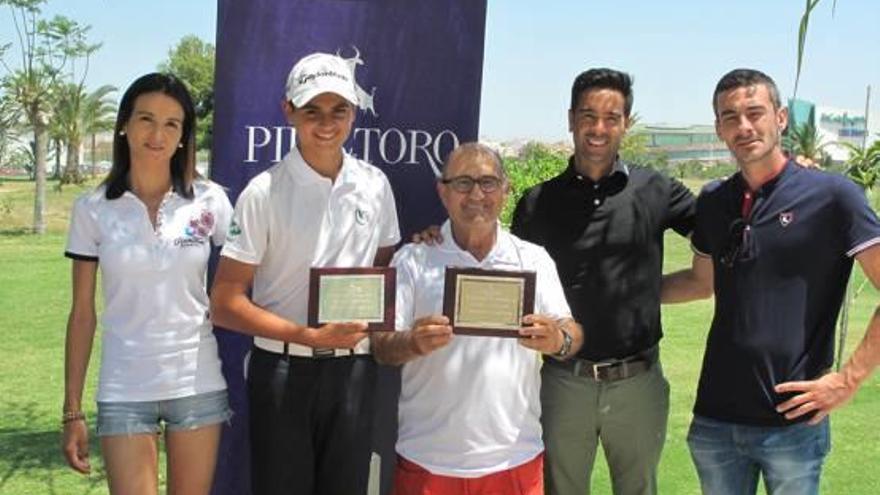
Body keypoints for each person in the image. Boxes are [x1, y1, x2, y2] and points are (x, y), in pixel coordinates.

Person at [664, 68, 880, 495]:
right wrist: (621, 296)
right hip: (714, 422)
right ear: (719, 129)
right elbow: (699, 282)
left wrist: (847, 379)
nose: (744, 126)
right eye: (730, 117)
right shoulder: (713, 201)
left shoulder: (834, 197)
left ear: (780, 118)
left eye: (754, 112)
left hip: (793, 424)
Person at [209, 52, 400, 495]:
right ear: (288, 111)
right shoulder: (264, 192)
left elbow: (384, 268)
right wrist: (309, 336)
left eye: (339, 110)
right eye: (312, 110)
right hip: (282, 371)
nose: (327, 124)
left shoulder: (375, 184)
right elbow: (225, 302)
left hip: (354, 369)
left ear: (354, 112)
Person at [510, 68, 701, 495]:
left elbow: (720, 229)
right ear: (571, 118)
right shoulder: (537, 202)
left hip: (638, 384)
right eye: (588, 115)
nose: (599, 128)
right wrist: (436, 239)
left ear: (626, 124)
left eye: (611, 117)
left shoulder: (657, 189)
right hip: (563, 383)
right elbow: (505, 274)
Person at [370, 143, 582, 495]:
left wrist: (558, 340)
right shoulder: (412, 260)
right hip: (428, 462)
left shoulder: (533, 259)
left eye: (488, 182)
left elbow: (572, 331)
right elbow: (381, 347)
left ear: (505, 188)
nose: (476, 195)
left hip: (515, 460)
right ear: (443, 191)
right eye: (463, 183)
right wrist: (412, 342)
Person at [61, 73, 234, 494]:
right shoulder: (92, 209)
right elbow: (82, 313)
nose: (157, 134)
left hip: (197, 383)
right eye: (146, 119)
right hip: (124, 385)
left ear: (183, 136)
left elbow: (246, 277)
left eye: (172, 124)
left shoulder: (210, 200)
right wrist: (72, 411)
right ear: (124, 124)